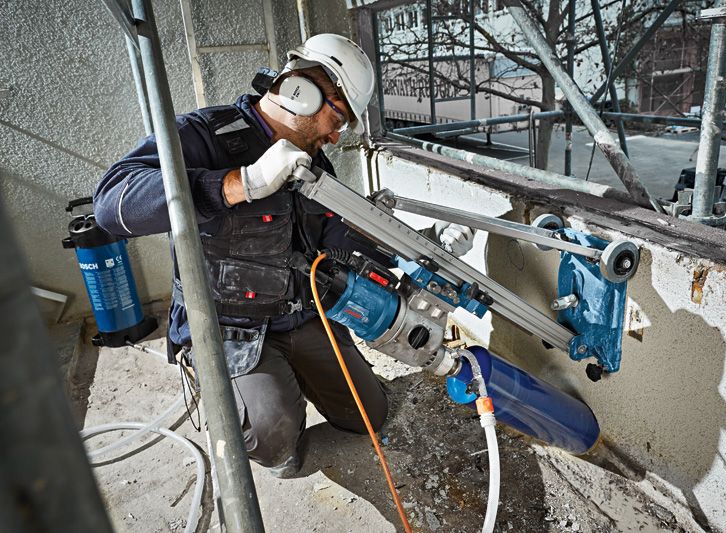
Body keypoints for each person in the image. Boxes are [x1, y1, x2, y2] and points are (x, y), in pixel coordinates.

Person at [94, 33, 475, 477]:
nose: (336, 136)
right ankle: (235, 389)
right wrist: (241, 183)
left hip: (303, 313)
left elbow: (339, 236)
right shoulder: (202, 136)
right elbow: (111, 203)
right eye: (340, 118)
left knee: (368, 416)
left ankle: (287, 381)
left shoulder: (314, 164)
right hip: (231, 327)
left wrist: (422, 243)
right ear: (304, 90)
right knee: (273, 439)